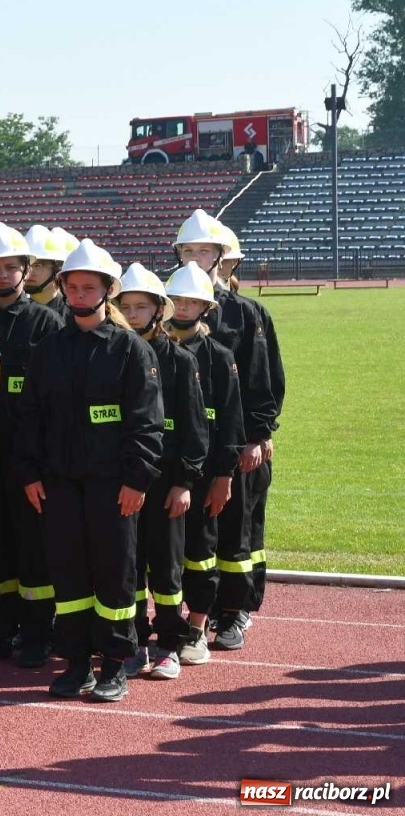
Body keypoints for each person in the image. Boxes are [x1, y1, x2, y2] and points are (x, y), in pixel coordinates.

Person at [15, 239, 165, 703]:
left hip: (112, 486)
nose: (79, 295)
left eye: (89, 288)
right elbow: (29, 419)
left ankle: (114, 664)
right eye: (72, 287)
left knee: (115, 575)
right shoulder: (48, 349)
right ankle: (76, 662)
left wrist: (137, 479)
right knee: (69, 575)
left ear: (106, 292)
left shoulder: (130, 350)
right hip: (58, 484)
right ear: (63, 289)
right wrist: (30, 474)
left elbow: (147, 422)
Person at [172, 210, 279, 650]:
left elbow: (263, 378)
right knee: (192, 530)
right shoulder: (166, 304)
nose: (196, 258)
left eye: (205, 251)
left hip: (234, 440)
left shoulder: (246, 313)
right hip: (183, 444)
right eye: (188, 250)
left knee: (238, 529)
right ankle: (195, 608)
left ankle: (234, 612)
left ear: (222, 257)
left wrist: (257, 435)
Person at [0, 222, 64, 668]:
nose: (4, 275)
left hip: (31, 456)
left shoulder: (47, 321)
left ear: (26, 270)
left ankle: (36, 634)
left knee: (34, 547)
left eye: (12, 267)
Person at [115, 263, 207, 681]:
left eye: (141, 306)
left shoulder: (181, 362)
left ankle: (170, 643)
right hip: (125, 482)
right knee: (129, 566)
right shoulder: (112, 353)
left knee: (167, 568)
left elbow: (194, 428)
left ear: (159, 310)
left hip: (167, 482)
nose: (133, 314)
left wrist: (185, 482)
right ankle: (136, 641)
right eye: (126, 306)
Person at [164, 261, 245, 666]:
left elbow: (231, 419)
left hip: (206, 473)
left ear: (206, 308)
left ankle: (196, 628)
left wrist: (224, 476)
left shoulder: (219, 357)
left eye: (191, 301)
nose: (181, 307)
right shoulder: (153, 350)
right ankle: (163, 628)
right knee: (160, 556)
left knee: (201, 552)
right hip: (163, 473)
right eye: (176, 299)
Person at [22, 225, 71, 321]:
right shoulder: (16, 314)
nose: (29, 271)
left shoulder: (72, 317)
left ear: (57, 270)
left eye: (37, 266)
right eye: (26, 265)